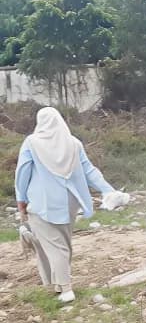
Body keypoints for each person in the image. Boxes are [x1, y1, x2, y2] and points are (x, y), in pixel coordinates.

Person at [14, 107, 120, 303]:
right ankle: (57, 282)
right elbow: (89, 170)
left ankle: (66, 289)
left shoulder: (32, 143)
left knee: (57, 247)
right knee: (62, 244)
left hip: (41, 203)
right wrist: (108, 189)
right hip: (69, 202)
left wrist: (20, 199)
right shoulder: (73, 144)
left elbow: (22, 173)